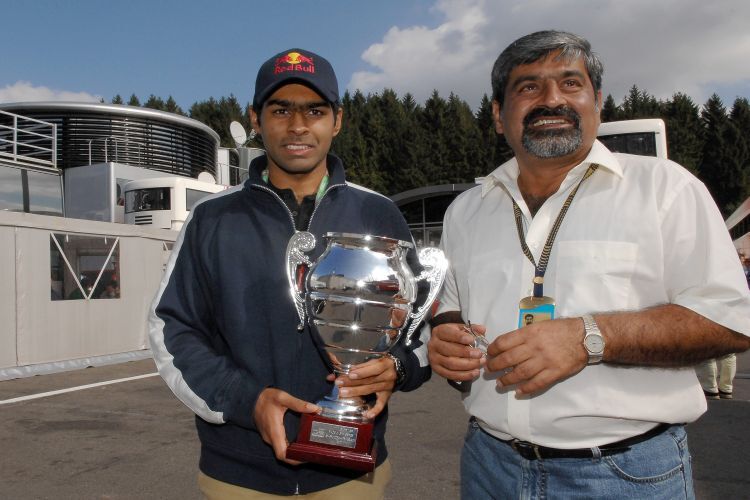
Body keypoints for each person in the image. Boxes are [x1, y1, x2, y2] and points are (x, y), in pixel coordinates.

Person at [427, 30, 750, 499]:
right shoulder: (467, 209)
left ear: (598, 102)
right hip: (487, 466)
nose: (551, 99)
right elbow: (451, 311)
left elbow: (730, 321)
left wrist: (589, 337)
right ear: (499, 115)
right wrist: (447, 343)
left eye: (570, 84)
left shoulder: (665, 189)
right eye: (529, 86)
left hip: (624, 475)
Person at [149, 48, 430, 498]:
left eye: (315, 111)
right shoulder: (211, 219)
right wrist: (249, 401)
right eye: (281, 110)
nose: (298, 126)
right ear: (256, 119)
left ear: (337, 120)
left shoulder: (380, 215)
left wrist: (398, 367)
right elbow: (172, 329)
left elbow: (420, 326)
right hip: (239, 475)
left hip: (352, 477)